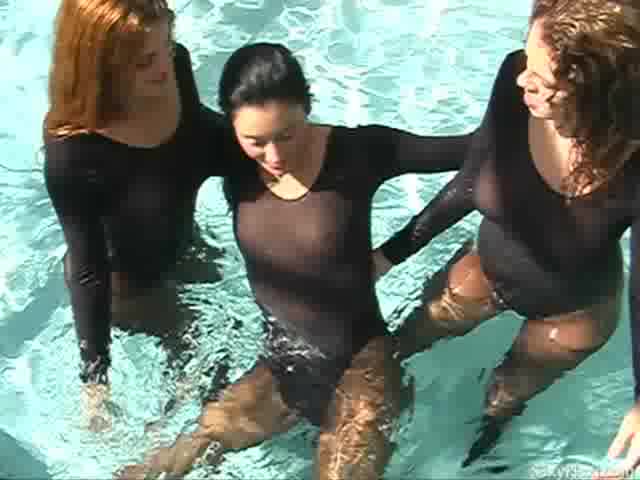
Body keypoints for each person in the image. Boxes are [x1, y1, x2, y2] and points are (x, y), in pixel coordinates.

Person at [115, 42, 472, 480]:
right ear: (231, 126)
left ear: (307, 105)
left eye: (287, 135)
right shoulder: (229, 159)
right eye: (256, 142)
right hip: (281, 368)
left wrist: (393, 253)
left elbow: (480, 158)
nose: (275, 157)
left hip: (361, 367)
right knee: (160, 465)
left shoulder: (358, 151)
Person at [375, 0, 640, 470]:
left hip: (569, 315)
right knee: (398, 345)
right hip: (487, 266)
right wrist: (387, 256)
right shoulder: (514, 81)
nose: (523, 79)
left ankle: (477, 462)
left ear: (592, 90)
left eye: (542, 77)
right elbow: (470, 181)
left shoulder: (632, 164)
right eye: (526, 57)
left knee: (500, 399)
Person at [43, 0, 229, 427]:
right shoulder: (72, 150)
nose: (164, 65)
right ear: (101, 68)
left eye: (168, 44)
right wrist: (96, 382)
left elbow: (202, 141)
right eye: (146, 60)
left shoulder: (174, 64)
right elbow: (88, 268)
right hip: (128, 289)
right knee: (211, 370)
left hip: (186, 245)